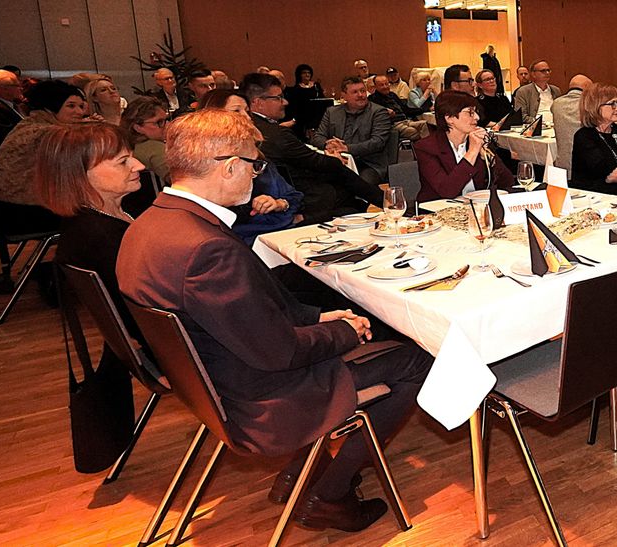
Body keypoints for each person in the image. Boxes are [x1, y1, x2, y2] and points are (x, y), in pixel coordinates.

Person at [116, 108, 433, 534]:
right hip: (260, 395)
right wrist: (343, 330)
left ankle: (299, 475)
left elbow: (252, 312)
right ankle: (328, 495)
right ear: (230, 167)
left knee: (356, 328)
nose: (257, 175)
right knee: (416, 361)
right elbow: (278, 351)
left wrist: (320, 315)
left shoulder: (152, 224)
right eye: (255, 165)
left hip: (212, 381)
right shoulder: (206, 248)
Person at [38, 122, 144, 316]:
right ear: (80, 175)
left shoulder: (101, 216)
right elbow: (140, 312)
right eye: (122, 161)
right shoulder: (99, 235)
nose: (139, 165)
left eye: (132, 156)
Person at [243, 73, 378, 222]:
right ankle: (388, 204)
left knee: (346, 185)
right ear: (258, 102)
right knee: (342, 179)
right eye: (278, 98)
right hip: (300, 194)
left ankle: (384, 203)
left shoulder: (255, 128)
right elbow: (313, 160)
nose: (285, 102)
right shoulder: (274, 134)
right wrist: (334, 159)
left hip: (288, 189)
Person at [0, 80, 92, 236]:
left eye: (80, 106)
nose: (79, 112)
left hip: (6, 208)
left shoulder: (30, 125)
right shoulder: (47, 133)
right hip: (24, 214)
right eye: (70, 106)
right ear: (51, 106)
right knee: (104, 211)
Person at [202, 89, 304, 242]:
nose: (246, 117)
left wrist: (279, 204)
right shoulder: (207, 164)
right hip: (246, 240)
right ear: (214, 116)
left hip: (282, 233)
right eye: (236, 111)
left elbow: (295, 196)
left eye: (246, 111)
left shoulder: (257, 154)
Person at [414, 90, 515, 202]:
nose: (477, 117)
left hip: (476, 207)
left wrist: (488, 157)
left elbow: (508, 182)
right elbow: (447, 190)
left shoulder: (477, 140)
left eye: (476, 112)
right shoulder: (426, 147)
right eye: (470, 112)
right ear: (449, 118)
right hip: (437, 211)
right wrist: (472, 152)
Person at [312, 76, 396, 184]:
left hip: (368, 163)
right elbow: (317, 137)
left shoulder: (378, 112)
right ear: (344, 96)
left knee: (357, 184)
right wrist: (328, 145)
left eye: (362, 91)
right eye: (355, 92)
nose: (360, 95)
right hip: (337, 161)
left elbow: (377, 142)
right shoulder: (332, 112)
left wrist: (346, 148)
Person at [571, 84, 617, 194]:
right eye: (612, 104)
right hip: (594, 197)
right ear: (595, 107)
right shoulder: (584, 137)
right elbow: (607, 173)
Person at [121, 96, 171, 183]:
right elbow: (179, 180)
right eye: (159, 122)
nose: (168, 125)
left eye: (167, 120)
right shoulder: (154, 147)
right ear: (138, 127)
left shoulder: (128, 146)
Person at [551, 74, 592, 173]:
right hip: (585, 165)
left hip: (562, 164)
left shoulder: (556, 104)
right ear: (586, 88)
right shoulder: (589, 105)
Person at [370, 74, 430, 141]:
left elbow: (406, 110)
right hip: (393, 125)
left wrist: (425, 109)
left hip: (405, 121)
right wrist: (385, 111)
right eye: (381, 85)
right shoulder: (372, 99)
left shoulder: (393, 95)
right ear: (375, 86)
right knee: (413, 131)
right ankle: (421, 148)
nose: (385, 86)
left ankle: (427, 147)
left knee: (425, 124)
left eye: (386, 84)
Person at [283, 64, 325, 136]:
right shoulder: (296, 89)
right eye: (304, 73)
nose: (307, 75)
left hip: (317, 113)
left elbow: (322, 99)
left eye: (309, 73)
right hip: (303, 115)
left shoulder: (316, 86)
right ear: (299, 75)